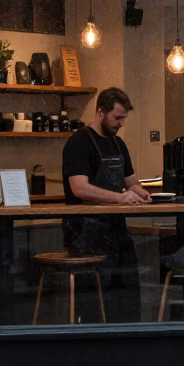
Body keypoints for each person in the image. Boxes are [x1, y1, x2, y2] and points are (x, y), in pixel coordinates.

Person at [61, 87, 151, 323]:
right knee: (98, 293)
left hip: (116, 228)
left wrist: (142, 194)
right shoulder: (78, 143)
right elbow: (79, 188)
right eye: (117, 118)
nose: (121, 123)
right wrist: (120, 198)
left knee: (127, 286)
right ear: (101, 112)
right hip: (85, 231)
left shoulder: (119, 145)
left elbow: (131, 183)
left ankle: (128, 337)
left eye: (124, 118)